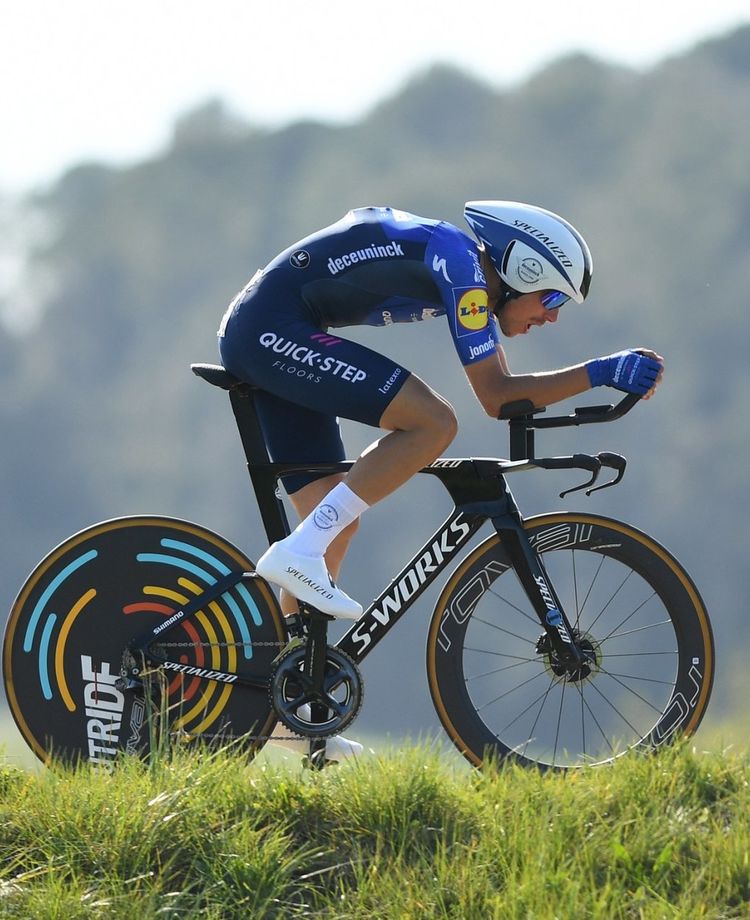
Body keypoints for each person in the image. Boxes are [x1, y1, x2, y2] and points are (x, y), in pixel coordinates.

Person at [217, 201, 663, 761]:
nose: (551, 317)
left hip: (279, 326)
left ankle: (290, 713)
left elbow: (503, 394)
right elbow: (496, 397)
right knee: (433, 422)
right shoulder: (463, 269)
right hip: (272, 329)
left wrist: (593, 379)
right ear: (522, 269)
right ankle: (299, 551)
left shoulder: (463, 269)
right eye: (551, 298)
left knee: (335, 523)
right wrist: (599, 372)